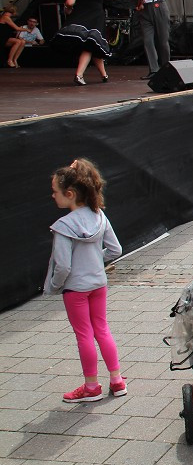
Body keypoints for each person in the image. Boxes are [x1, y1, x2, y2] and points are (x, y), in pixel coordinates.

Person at [44, 158, 126, 403]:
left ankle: (91, 387)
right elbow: (115, 250)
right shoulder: (99, 215)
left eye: (55, 192)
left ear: (69, 194)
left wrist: (56, 286)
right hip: (98, 284)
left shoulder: (63, 227)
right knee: (102, 329)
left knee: (84, 335)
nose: (53, 196)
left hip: (75, 289)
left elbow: (63, 265)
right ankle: (117, 380)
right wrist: (95, 263)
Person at [58, 0, 129, 85]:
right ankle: (79, 75)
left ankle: (104, 75)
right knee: (90, 45)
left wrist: (68, 9)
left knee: (94, 45)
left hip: (79, 18)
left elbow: (70, 2)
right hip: (95, 18)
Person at [124, 0, 169, 79]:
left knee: (163, 40)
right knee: (147, 40)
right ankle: (154, 70)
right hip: (146, 9)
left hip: (158, 7)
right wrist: (140, 5)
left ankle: (166, 68)